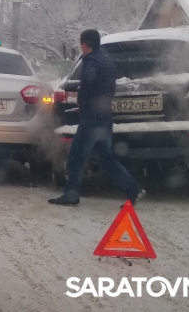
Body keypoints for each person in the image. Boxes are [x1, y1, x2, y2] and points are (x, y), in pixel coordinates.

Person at [49, 29, 145, 206]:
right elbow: (110, 88)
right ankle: (133, 189)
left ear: (85, 45)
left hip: (91, 119)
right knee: (106, 158)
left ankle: (71, 194)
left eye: (81, 45)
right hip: (105, 117)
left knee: (76, 157)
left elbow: (90, 79)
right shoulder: (107, 61)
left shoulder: (91, 61)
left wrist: (83, 100)